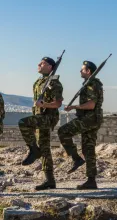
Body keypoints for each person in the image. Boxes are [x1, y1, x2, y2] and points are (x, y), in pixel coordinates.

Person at [19, 57, 63, 190]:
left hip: (48, 117)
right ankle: (50, 181)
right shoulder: (38, 82)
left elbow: (58, 103)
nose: (39, 64)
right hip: (39, 117)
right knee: (44, 147)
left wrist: (44, 104)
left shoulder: (55, 83)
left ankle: (33, 150)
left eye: (42, 63)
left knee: (23, 122)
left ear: (50, 67)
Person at [58, 61, 103, 189]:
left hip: (89, 118)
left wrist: (73, 106)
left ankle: (76, 158)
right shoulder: (91, 83)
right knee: (88, 149)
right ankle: (91, 180)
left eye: (82, 69)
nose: (80, 71)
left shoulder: (92, 84)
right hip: (93, 119)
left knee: (63, 131)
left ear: (88, 71)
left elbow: (91, 105)